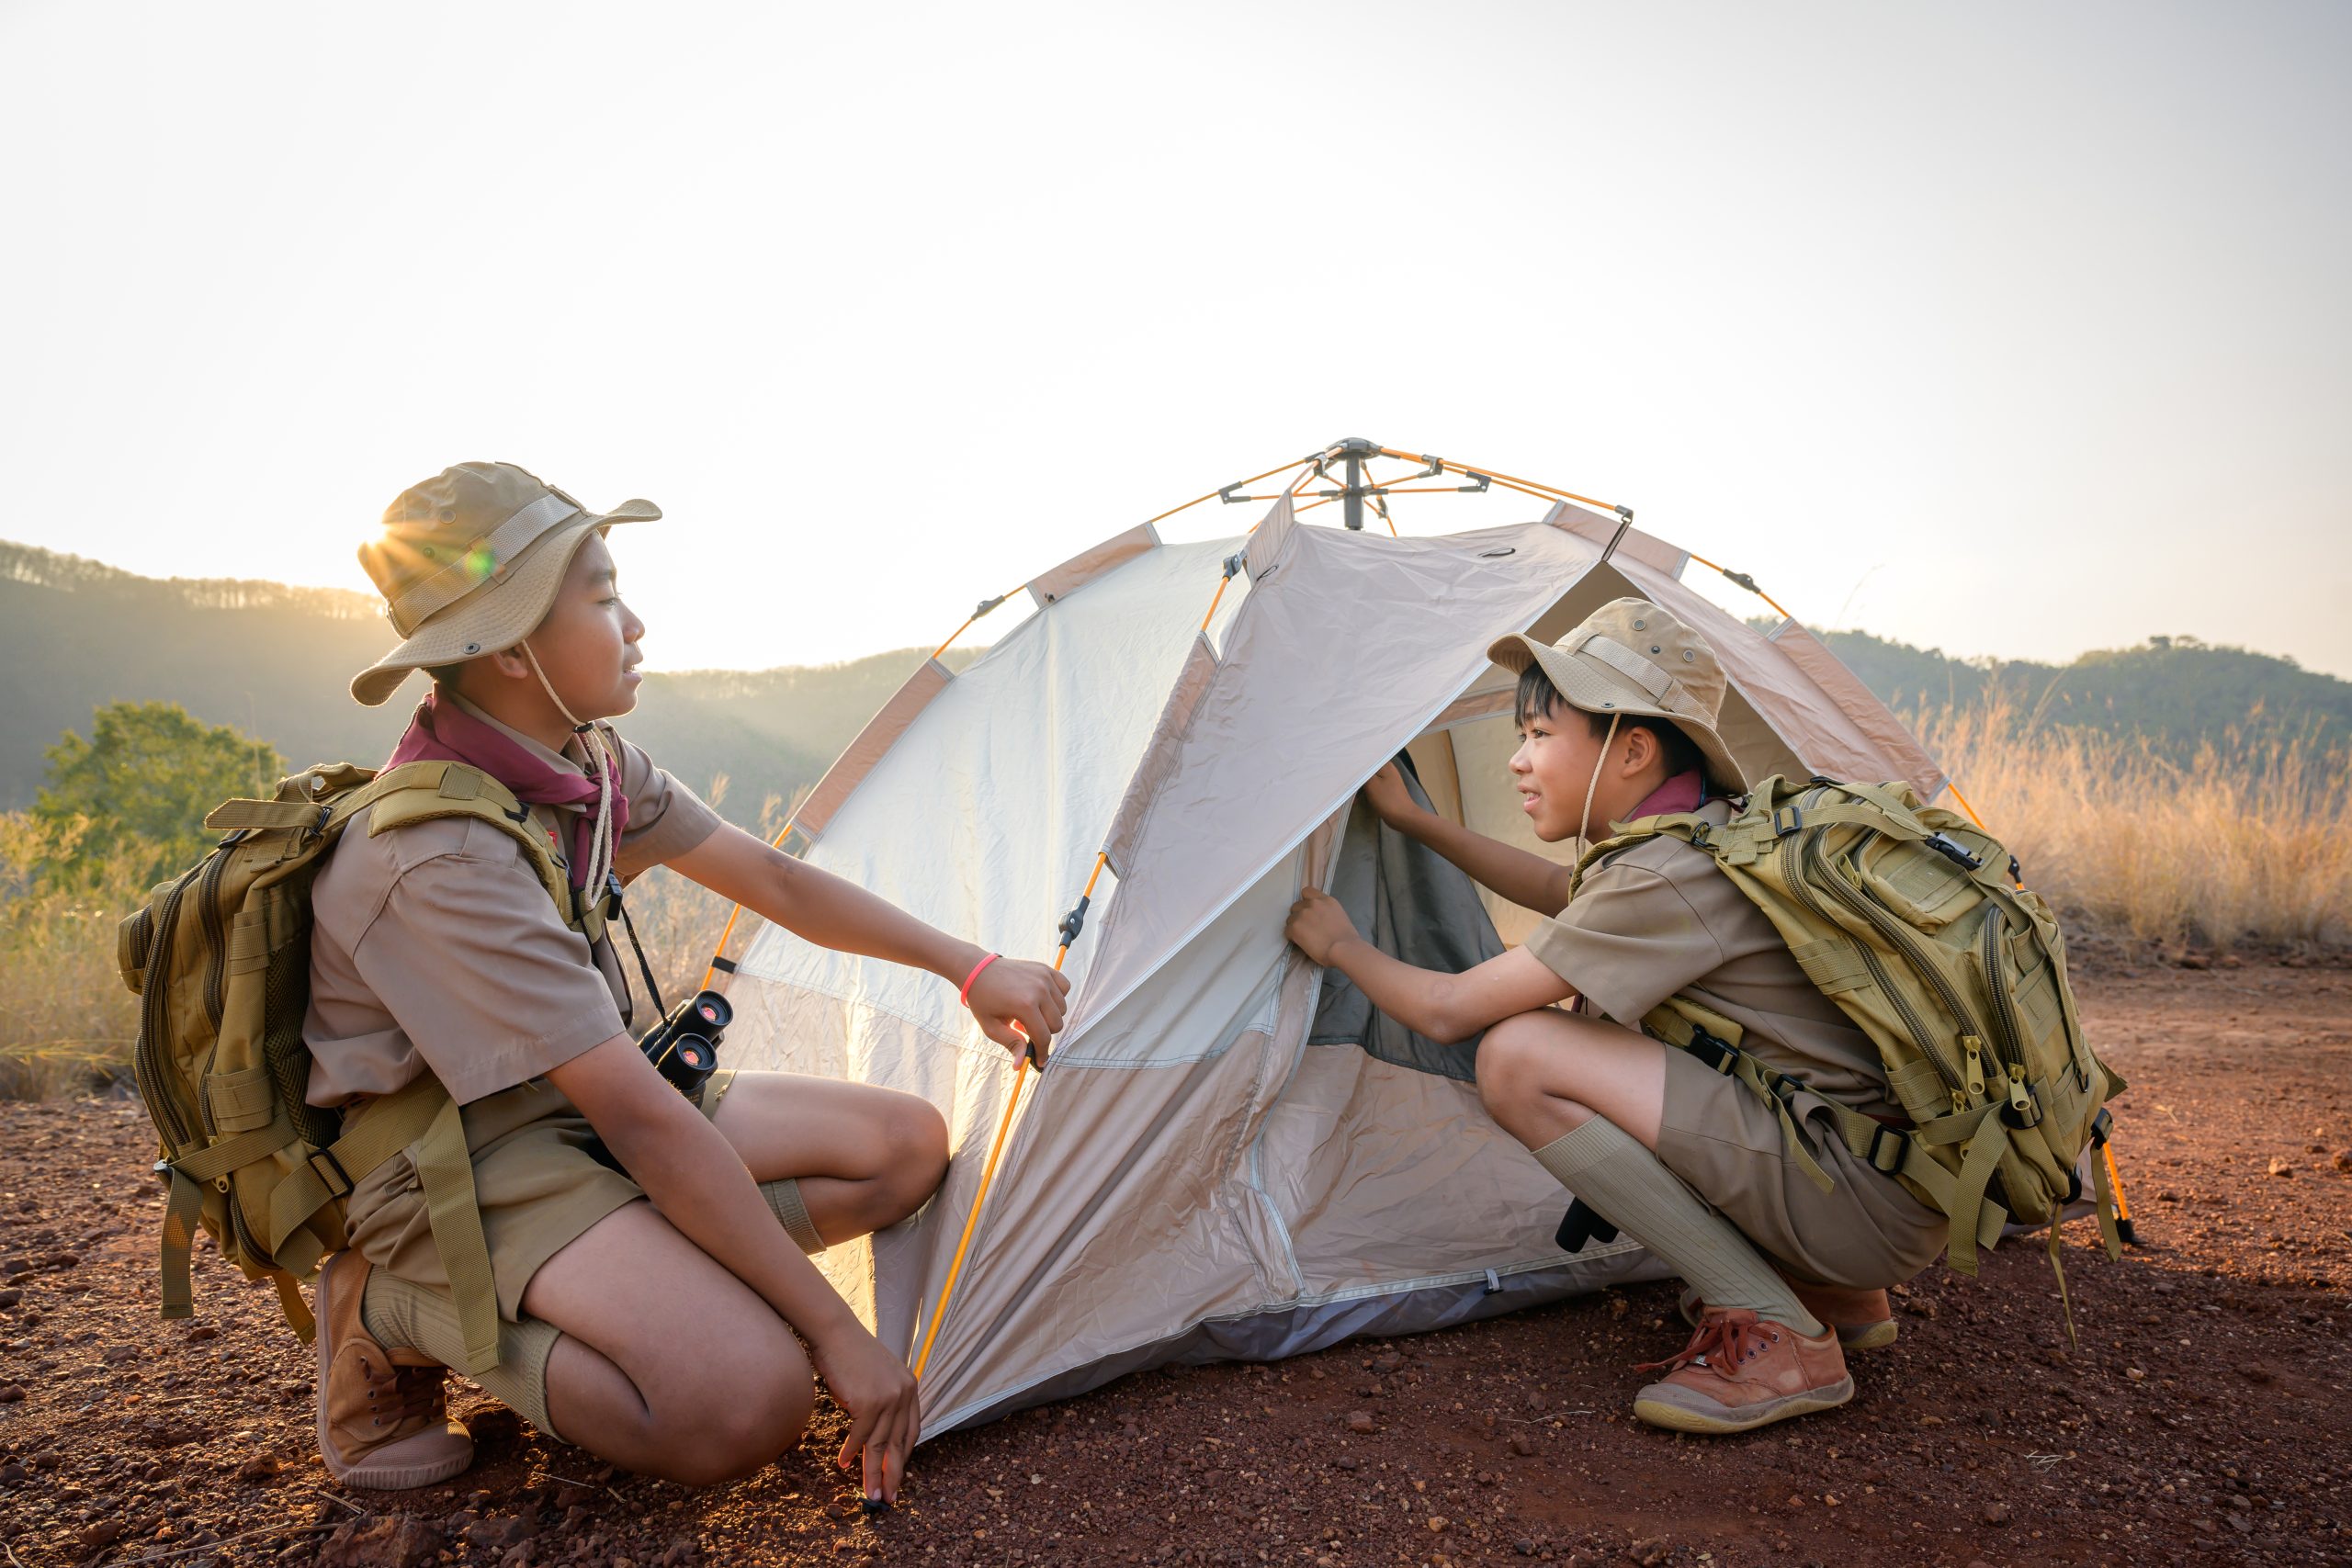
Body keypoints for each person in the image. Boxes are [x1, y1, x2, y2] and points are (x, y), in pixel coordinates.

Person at [305, 462, 1068, 1500]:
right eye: (606, 596)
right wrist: (833, 1333)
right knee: (747, 1399)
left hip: (565, 1110)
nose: (637, 625)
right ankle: (387, 1307)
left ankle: (648, 1280)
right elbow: (642, 1125)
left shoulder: (587, 766)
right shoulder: (440, 857)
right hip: (450, 1158)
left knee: (901, 1151)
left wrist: (967, 966)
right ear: (515, 648)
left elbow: (773, 879)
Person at [1283, 598, 1946, 1435]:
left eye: (1539, 736)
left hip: (1855, 1205)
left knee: (1520, 1055)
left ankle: (1779, 1331)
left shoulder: (1663, 877)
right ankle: (1835, 1292)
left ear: (1632, 749)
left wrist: (1341, 944)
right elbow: (1564, 894)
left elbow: (1448, 1012)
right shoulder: (1705, 837)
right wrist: (1424, 824)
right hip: (1877, 1187)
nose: (1518, 761)